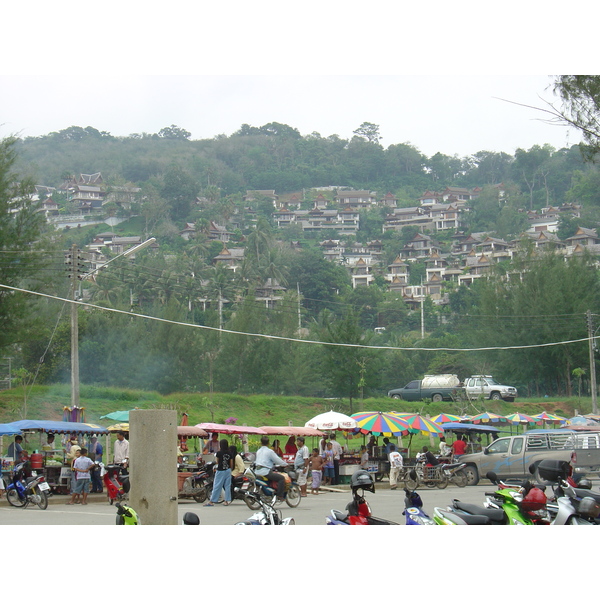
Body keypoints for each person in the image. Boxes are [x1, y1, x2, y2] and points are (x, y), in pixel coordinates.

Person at [255, 436, 288, 502]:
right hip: (265, 471)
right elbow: (277, 460)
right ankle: (279, 495)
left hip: (257, 471)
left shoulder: (258, 451)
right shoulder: (270, 451)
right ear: (268, 443)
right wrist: (285, 464)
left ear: (261, 443)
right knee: (281, 478)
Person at [205, 439, 232, 507]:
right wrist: (229, 468)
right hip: (228, 470)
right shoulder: (230, 453)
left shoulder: (219, 453)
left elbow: (217, 462)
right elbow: (231, 463)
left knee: (217, 485)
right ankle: (227, 500)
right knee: (227, 486)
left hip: (220, 470)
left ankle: (212, 501)